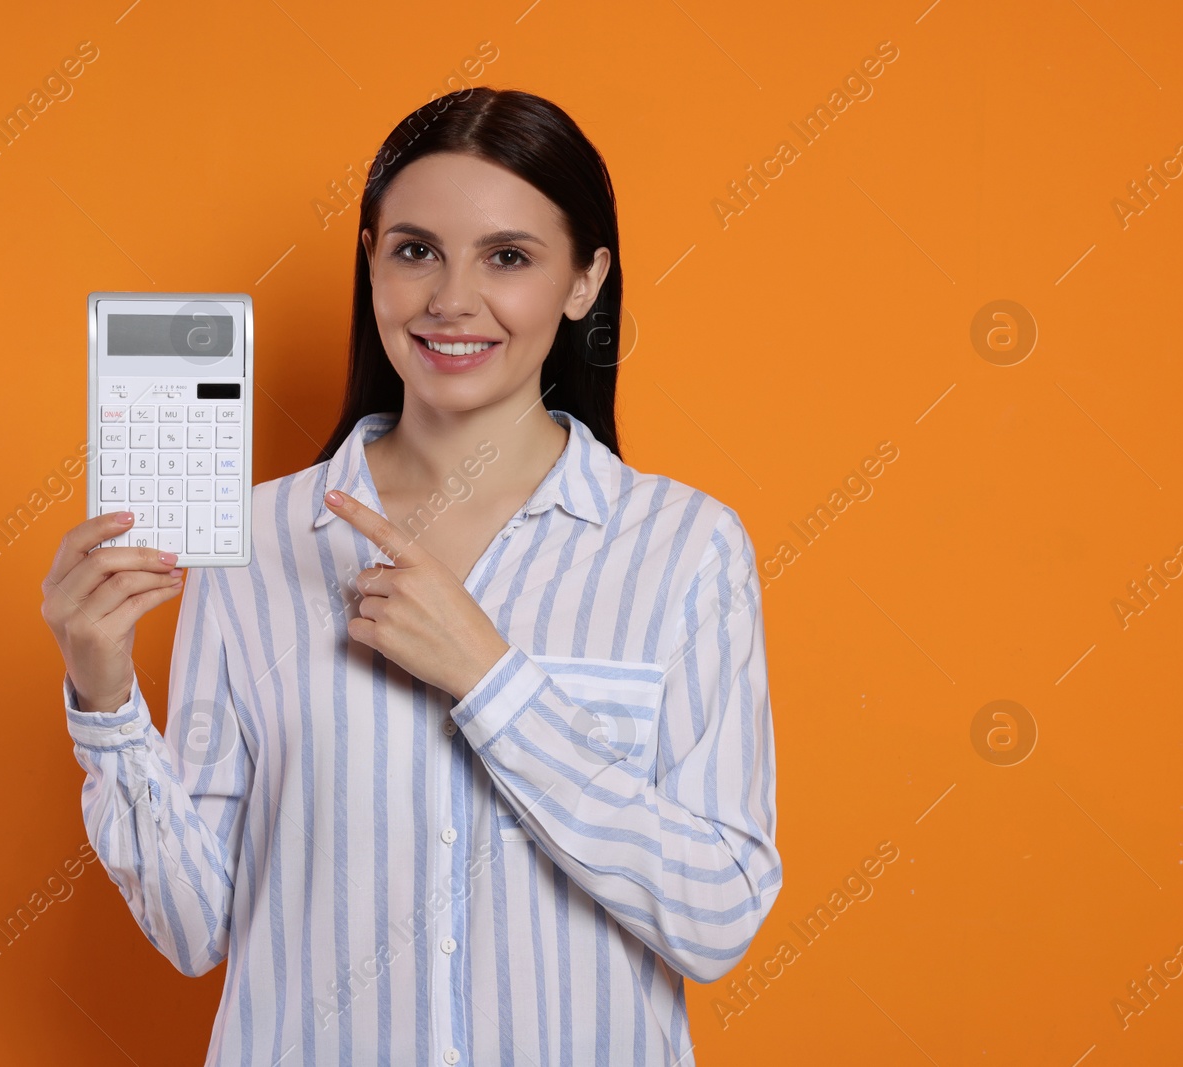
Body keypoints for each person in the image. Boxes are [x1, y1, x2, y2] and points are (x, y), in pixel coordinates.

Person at [41, 86, 781, 1066]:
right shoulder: (257, 541)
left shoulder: (683, 547)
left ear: (583, 280)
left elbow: (716, 911)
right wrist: (103, 694)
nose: (449, 299)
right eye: (415, 249)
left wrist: (489, 677)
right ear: (371, 259)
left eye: (507, 257)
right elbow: (193, 926)